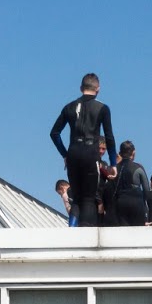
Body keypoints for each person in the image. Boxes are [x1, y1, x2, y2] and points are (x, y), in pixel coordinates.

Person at [49, 73, 115, 227]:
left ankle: (72, 229)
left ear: (81, 88)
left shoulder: (69, 107)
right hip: (91, 153)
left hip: (73, 152)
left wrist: (65, 154)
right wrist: (113, 163)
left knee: (77, 197)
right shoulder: (103, 108)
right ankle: (87, 231)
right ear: (98, 89)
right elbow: (109, 137)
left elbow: (54, 133)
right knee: (89, 198)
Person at [112, 140, 150, 227]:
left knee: (124, 231)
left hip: (120, 203)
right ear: (133, 153)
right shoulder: (138, 167)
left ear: (120, 153)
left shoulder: (115, 168)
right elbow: (146, 189)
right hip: (136, 202)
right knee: (137, 231)